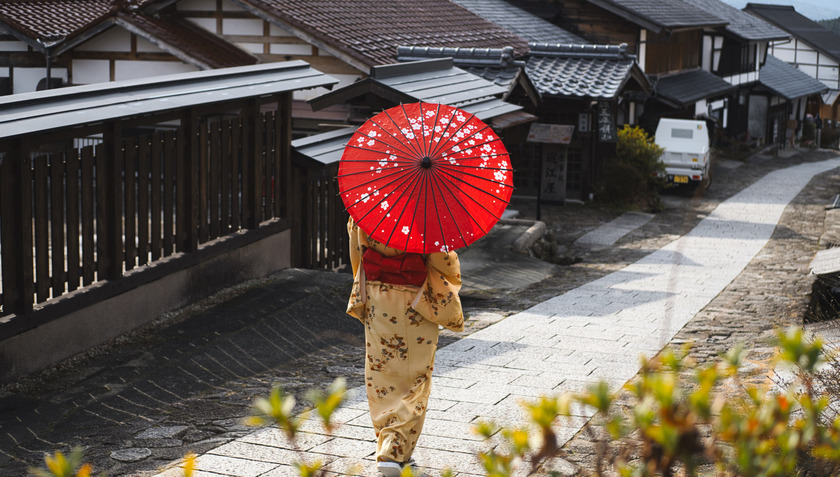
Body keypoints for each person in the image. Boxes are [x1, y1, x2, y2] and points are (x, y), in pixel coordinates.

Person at [346, 217, 464, 477]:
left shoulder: (366, 207)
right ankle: (394, 451)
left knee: (381, 375)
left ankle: (389, 442)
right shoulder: (425, 211)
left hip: (378, 297)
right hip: (415, 299)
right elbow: (443, 261)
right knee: (415, 378)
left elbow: (358, 253)